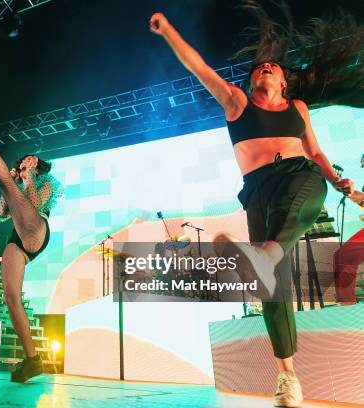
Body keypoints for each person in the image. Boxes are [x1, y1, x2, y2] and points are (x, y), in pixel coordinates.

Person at [149, 4, 361, 406]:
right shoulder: (237, 104)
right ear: (250, 83)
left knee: (305, 188)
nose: (265, 69)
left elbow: (315, 153)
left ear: (284, 81)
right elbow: (199, 68)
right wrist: (168, 31)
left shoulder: (298, 110)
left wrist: (340, 183)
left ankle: (264, 254)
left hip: (301, 176)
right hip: (259, 194)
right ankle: (288, 378)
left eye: (272, 68)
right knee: (271, 286)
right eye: (258, 69)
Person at [0, 100, 63, 383]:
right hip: (17, 237)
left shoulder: (46, 182)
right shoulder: (16, 181)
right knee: (11, 297)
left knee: (4, 180)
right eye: (25, 160)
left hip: (36, 229)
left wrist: (26, 179)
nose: (27, 160)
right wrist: (12, 185)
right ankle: (32, 360)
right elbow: (1, 214)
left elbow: (35, 203)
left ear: (39, 166)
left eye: (32, 160)